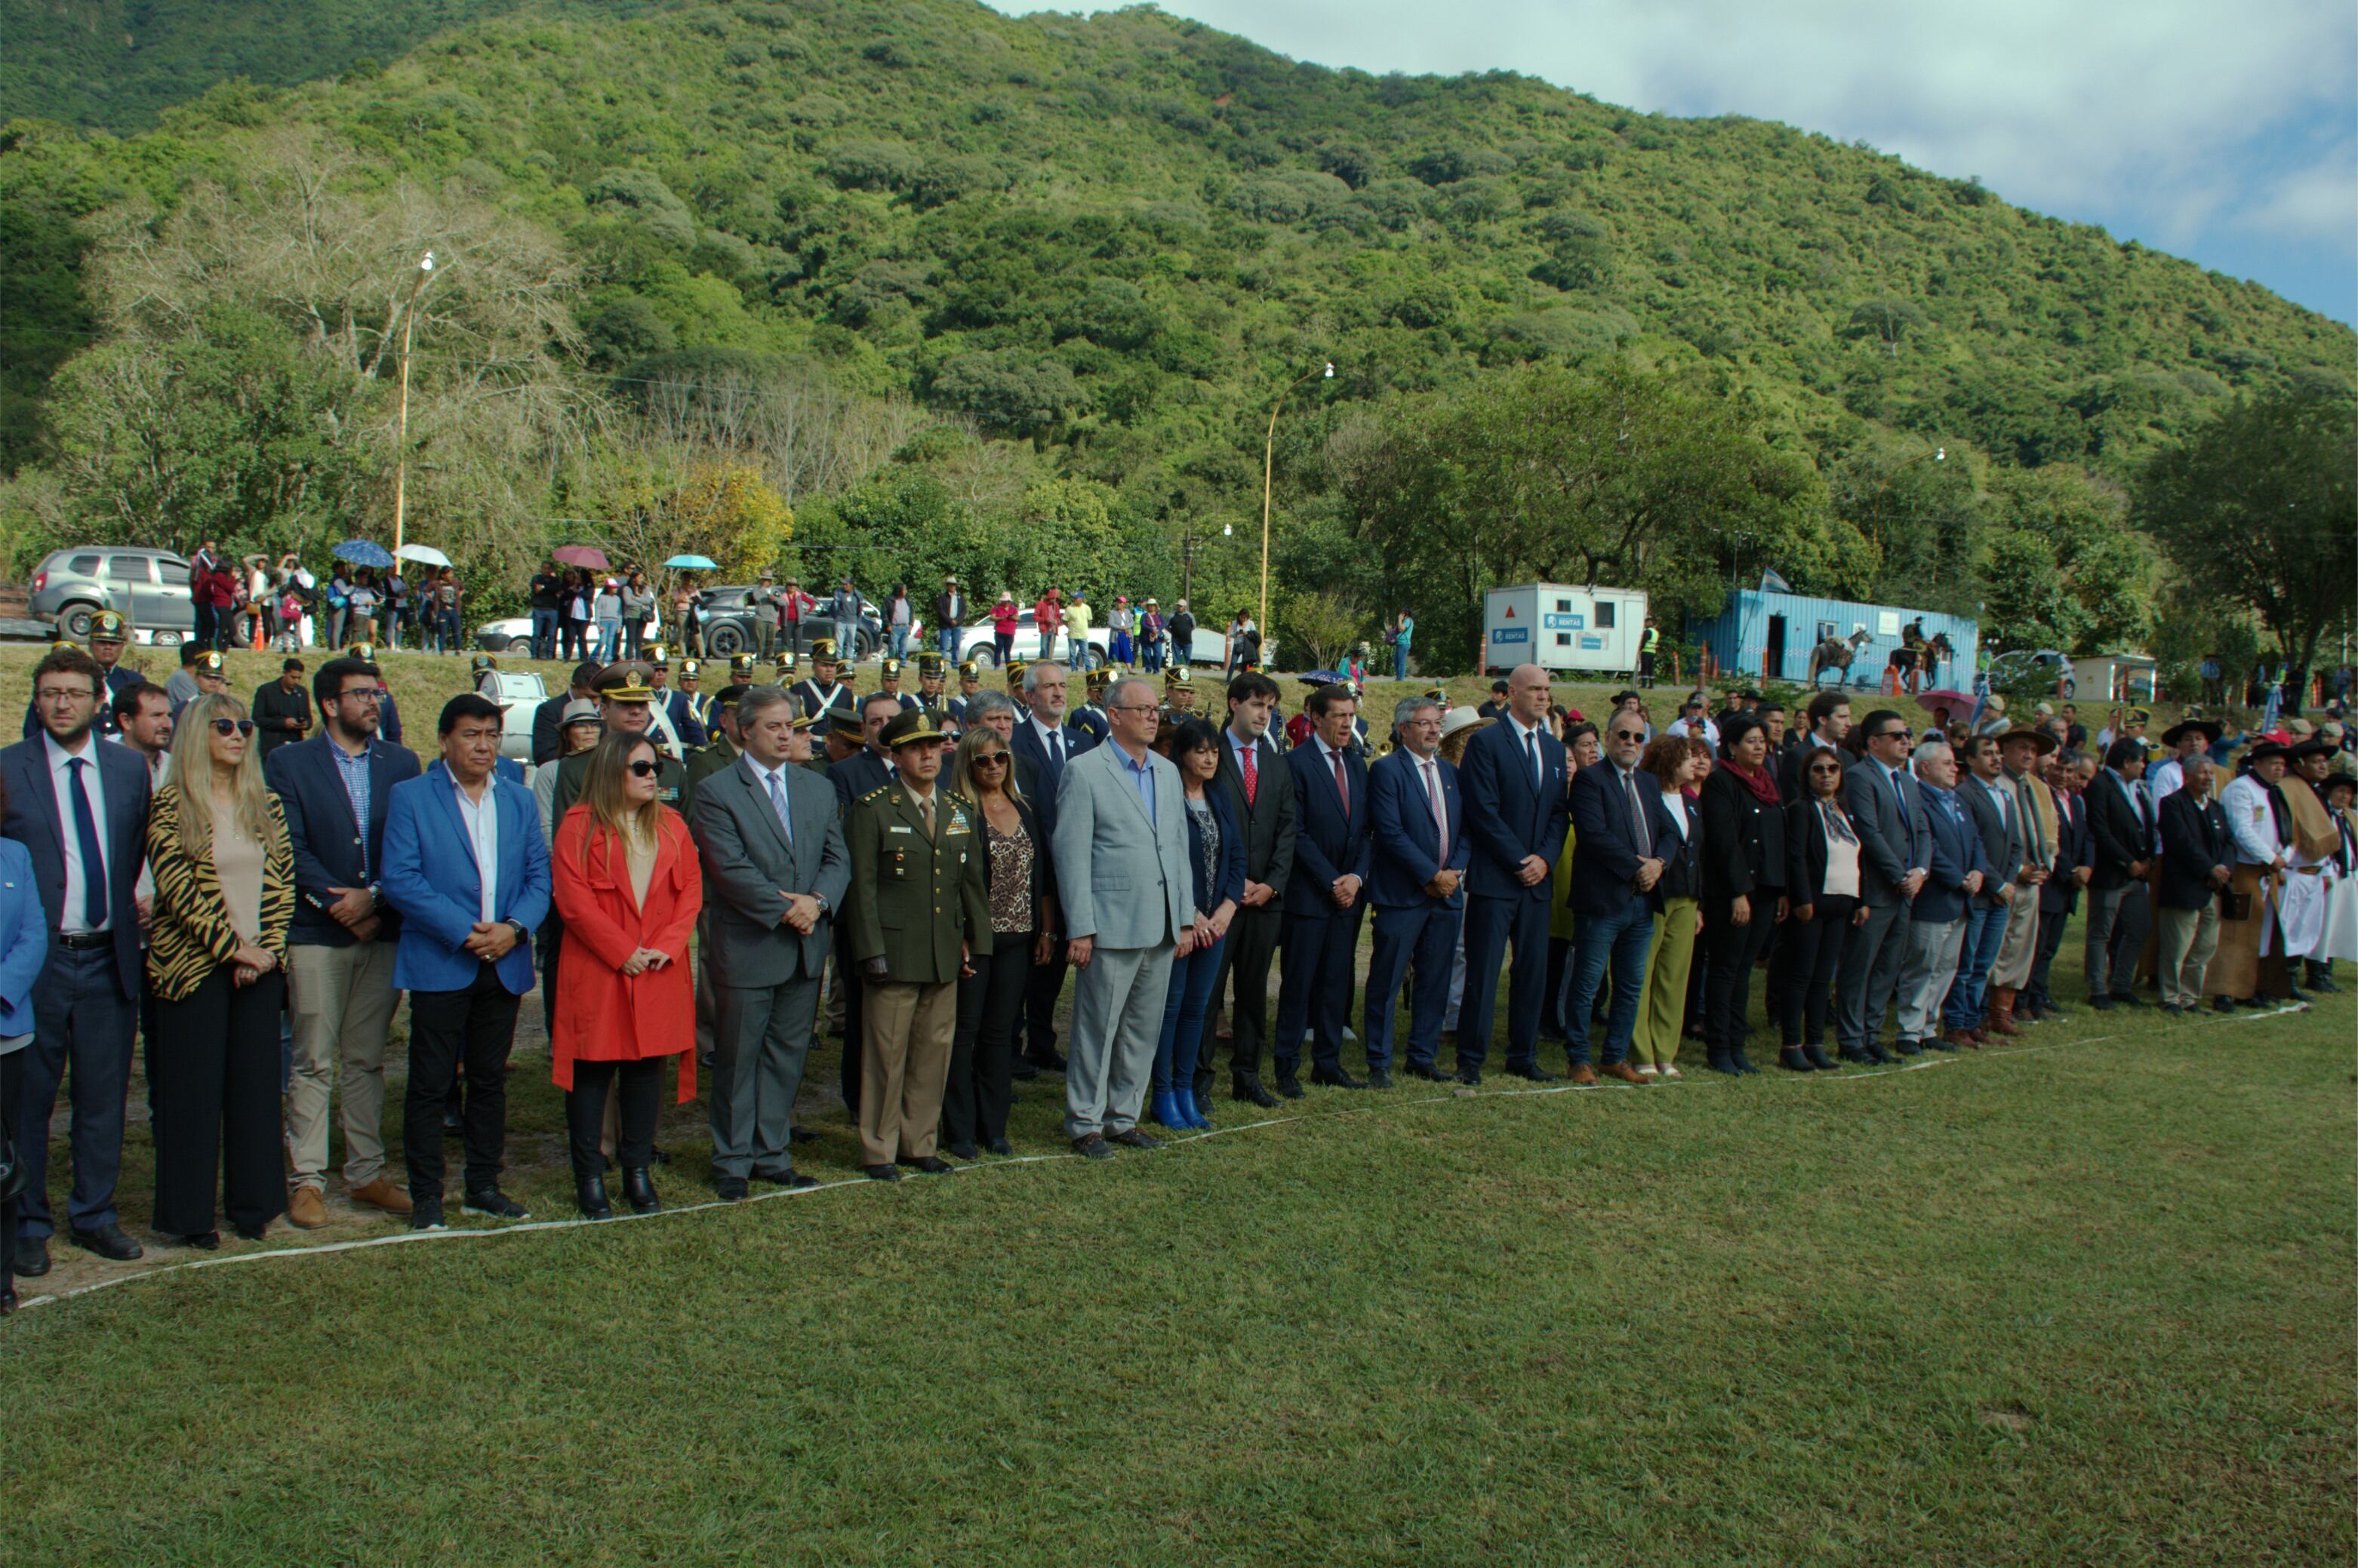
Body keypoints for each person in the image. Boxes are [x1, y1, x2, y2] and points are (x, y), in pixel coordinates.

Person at [3, 646, 152, 1275]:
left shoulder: (127, 769)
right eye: (49, 693)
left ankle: (94, 1216)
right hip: (37, 964)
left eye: (73, 692)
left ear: (99, 702)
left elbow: (140, 846)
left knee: (102, 1097)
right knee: (30, 1102)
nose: (61, 703)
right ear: (36, 702)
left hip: (107, 959)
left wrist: (144, 894)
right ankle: (29, 1223)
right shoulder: (9, 769)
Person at [379, 693, 552, 1230]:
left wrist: (514, 929)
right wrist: (464, 933)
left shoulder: (518, 799)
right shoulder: (412, 797)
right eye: (472, 735)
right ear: (445, 740)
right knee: (430, 1084)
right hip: (441, 960)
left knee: (489, 1081)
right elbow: (401, 879)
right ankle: (428, 1197)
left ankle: (483, 1187)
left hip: (504, 961)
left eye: (492, 736)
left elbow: (538, 879)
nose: (484, 746)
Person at [267, 656, 423, 1226]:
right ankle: (306, 1178)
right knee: (312, 1057)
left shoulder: (401, 762)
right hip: (315, 931)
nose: (372, 703)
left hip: (383, 928)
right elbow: (288, 846)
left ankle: (365, 1173)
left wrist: (375, 898)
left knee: (366, 1058)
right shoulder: (288, 762)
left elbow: (412, 842)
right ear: (329, 704)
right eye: (360, 694)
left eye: (376, 693)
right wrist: (337, 904)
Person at [143, 693, 295, 1247]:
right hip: (193, 968)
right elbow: (178, 890)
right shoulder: (170, 805)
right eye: (224, 726)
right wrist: (234, 949)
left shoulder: (267, 805)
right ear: (195, 736)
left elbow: (283, 885)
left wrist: (267, 952)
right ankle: (189, 1217)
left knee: (256, 1092)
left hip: (260, 966)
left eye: (245, 727)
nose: (238, 735)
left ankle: (253, 1206)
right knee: (193, 1096)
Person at [691, 686, 848, 1196]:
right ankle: (733, 1161)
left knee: (786, 1055)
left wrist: (818, 902)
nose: (786, 735)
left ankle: (772, 1152)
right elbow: (728, 869)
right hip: (751, 947)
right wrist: (787, 908)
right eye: (774, 727)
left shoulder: (816, 788)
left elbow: (836, 858)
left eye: (791, 726)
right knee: (739, 1058)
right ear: (744, 729)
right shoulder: (716, 791)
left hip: (805, 947)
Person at [549, 730, 700, 1219]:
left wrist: (667, 947)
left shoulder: (673, 826)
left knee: (644, 1072)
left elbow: (690, 894)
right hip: (598, 969)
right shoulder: (578, 825)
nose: (652, 775)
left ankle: (638, 1170)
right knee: (592, 1072)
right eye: (640, 768)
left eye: (653, 766)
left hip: (657, 968)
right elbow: (573, 899)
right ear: (613, 771)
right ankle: (589, 1176)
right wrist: (620, 951)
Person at [844, 710, 988, 1178]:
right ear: (896, 754)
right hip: (893, 953)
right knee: (886, 1056)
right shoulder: (874, 810)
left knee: (932, 1052)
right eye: (915, 748)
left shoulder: (957, 810)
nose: (928, 754)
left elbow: (969, 884)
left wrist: (974, 941)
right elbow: (861, 889)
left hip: (943, 953)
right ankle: (879, 1149)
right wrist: (870, 951)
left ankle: (919, 1142)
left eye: (934, 745)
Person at [1052, 677, 1193, 1159]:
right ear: (1114, 715)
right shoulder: (1085, 771)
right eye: (1143, 709)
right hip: (1109, 925)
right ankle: (1085, 1123)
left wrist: (1186, 917)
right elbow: (1071, 856)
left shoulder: (1167, 772)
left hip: (1160, 924)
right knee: (1097, 1029)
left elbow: (1177, 848)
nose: (1154, 716)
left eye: (1156, 709)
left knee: (1142, 1029)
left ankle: (1123, 1118)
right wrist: (1081, 927)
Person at [943, 726, 1053, 1157]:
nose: (993, 766)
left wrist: (1046, 930)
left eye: (1000, 758)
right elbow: (950, 882)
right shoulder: (957, 811)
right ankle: (961, 1130)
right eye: (983, 760)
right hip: (977, 939)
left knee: (1000, 1033)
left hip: (1020, 938)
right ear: (968, 765)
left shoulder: (1025, 806)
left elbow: (1041, 874)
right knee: (964, 1033)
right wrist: (959, 937)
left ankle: (994, 1127)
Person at [1460, 664, 1572, 1084]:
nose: (1544, 697)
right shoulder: (1486, 743)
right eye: (1535, 690)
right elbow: (1483, 812)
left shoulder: (1555, 748)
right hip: (1496, 880)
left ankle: (1522, 1055)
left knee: (1532, 973)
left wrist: (1544, 859)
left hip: (1538, 882)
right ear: (1512, 692)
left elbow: (1560, 813)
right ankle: (1471, 1058)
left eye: (1547, 690)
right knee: (1484, 973)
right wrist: (1520, 861)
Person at [1361, 697, 1468, 1084]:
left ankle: (1422, 1056)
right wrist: (1430, 875)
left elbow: (1465, 829)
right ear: (1404, 728)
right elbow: (1389, 831)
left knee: (1435, 978)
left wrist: (1453, 871)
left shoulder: (1451, 773)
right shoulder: (1387, 771)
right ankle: (1379, 1061)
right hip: (1402, 896)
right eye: (1424, 723)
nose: (1434, 729)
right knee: (1387, 981)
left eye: (1436, 723)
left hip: (1446, 895)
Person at [1273, 682, 1373, 1093]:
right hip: (1310, 898)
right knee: (1299, 985)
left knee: (1336, 982)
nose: (1348, 724)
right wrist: (1332, 880)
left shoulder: (1357, 764)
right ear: (1315, 717)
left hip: (1347, 898)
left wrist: (1356, 879)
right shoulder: (1294, 764)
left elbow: (1368, 831)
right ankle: (1286, 1067)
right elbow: (1295, 833)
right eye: (1339, 716)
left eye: (1351, 716)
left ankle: (1327, 1063)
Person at [1205, 669, 1296, 1108]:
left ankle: (1247, 1076)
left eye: (1271, 707)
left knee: (1254, 993)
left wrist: (1273, 885)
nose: (1265, 714)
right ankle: (1197, 1079)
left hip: (1264, 903)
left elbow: (1287, 830)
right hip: (1220, 898)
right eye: (1258, 705)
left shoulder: (1278, 763)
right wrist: (1231, 881)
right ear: (1234, 704)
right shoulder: (1209, 757)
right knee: (1208, 994)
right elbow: (1202, 825)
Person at [1559, 700, 1656, 1086]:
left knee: (1631, 986)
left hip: (1642, 902)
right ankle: (1579, 1058)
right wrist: (1640, 866)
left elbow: (1665, 832)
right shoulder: (1590, 779)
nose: (1631, 742)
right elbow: (1595, 836)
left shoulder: (1648, 782)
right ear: (1609, 738)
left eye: (1638, 737)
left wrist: (1660, 864)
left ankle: (1615, 1057)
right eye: (1624, 735)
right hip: (1602, 901)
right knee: (1586, 985)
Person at [1835, 711, 1931, 1065]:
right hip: (1877, 888)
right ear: (1873, 742)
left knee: (1887, 967)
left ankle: (1872, 1034)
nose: (1906, 741)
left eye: (1907, 735)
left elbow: (1921, 828)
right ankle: (1851, 1037)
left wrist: (1920, 870)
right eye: (1897, 736)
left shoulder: (1907, 780)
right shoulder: (1860, 777)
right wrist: (1899, 875)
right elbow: (1869, 833)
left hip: (1905, 888)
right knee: (1860, 966)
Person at [1697, 712, 1785, 1075]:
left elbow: (1777, 840)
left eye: (1762, 740)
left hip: (1765, 890)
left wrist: (1781, 890)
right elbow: (1723, 841)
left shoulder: (1767, 783)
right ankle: (1719, 1047)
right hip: (1733, 892)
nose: (1760, 746)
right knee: (1726, 969)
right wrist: (1738, 892)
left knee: (1745, 970)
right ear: (1731, 747)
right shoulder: (1722, 783)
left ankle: (1737, 1044)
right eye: (1751, 740)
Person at [1891, 739, 1988, 1055]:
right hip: (1934, 898)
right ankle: (1909, 1030)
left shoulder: (1956, 800)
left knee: (1945, 967)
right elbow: (1928, 846)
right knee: (1922, 966)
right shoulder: (1917, 799)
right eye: (1947, 763)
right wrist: (1959, 879)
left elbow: (1975, 839)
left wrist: (1978, 872)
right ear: (1924, 768)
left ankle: (1929, 1027)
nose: (1954, 768)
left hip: (1960, 901)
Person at [1780, 746, 1864, 1068]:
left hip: (1842, 901)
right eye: (1818, 769)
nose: (1826, 774)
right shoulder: (1801, 809)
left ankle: (1815, 1043)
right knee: (1800, 975)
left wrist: (1862, 899)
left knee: (1821, 979)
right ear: (1807, 774)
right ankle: (1791, 1045)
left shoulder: (1845, 810)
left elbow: (1859, 855)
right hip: (1813, 903)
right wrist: (1802, 899)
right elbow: (1797, 857)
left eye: (1832, 769)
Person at [1627, 736, 1705, 1078]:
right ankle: (1641, 1050)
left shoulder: (1692, 802)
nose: (1695, 763)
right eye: (1688, 757)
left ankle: (1665, 1051)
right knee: (1641, 973)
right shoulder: (1649, 797)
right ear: (1669, 761)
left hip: (1687, 898)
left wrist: (1699, 903)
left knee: (1674, 976)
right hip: (1655, 896)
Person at [1942, 733, 2024, 1047]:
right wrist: (1997, 882)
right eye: (1988, 753)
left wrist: (2010, 880)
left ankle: (1974, 1021)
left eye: (1998, 753)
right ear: (1972, 760)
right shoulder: (1965, 794)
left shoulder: (2005, 795)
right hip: (1979, 893)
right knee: (1965, 963)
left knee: (1983, 964)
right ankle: (1956, 1023)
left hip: (2000, 896)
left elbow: (2015, 844)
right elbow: (1973, 845)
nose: (1996, 758)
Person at [0, 815, 45, 1311]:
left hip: (5, 1030)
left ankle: (1, 1278)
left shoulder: (15, 855)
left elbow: (33, 936)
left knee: (2, 1160)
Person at [2085, 736, 2159, 1010]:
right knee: (2101, 932)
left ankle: (2122, 984)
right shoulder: (2100, 785)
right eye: (2141, 761)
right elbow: (2100, 829)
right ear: (2127, 761)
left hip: (2137, 875)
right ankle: (2097, 988)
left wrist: (2148, 859)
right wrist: (2128, 861)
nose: (2143, 766)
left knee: (2139, 928)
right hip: (2112, 873)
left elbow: (2148, 825)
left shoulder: (2138, 789)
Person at [2155, 755, 2232, 1014]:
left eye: (2211, 773)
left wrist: (2223, 868)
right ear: (2186, 776)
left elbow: (2229, 843)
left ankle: (2189, 997)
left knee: (2205, 945)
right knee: (2177, 945)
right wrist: (2208, 868)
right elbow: (2181, 842)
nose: (2208, 777)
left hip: (2214, 887)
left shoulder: (2216, 808)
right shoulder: (2172, 804)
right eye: (2203, 773)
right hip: (2185, 886)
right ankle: (2170, 997)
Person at [2026, 749, 2093, 1021]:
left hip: (2068, 886)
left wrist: (2088, 867)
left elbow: (2086, 837)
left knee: (2051, 947)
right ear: (2049, 769)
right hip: (2052, 881)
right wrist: (2070, 871)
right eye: (2059, 769)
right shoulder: (2042, 797)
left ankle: (2042, 996)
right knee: (2038, 947)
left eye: (2069, 771)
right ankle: (2029, 1000)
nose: (2063, 775)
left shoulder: (2076, 801)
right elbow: (2047, 839)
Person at [534, 661, 604, 766]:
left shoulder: (608, 707)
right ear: (573, 687)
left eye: (601, 696)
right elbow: (544, 756)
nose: (597, 702)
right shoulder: (550, 710)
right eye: (590, 697)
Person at [112, 682, 174, 788]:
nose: (167, 725)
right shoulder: (102, 766)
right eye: (156, 716)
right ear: (127, 721)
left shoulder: (177, 768)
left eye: (169, 716)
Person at [2149, 718, 2221, 804]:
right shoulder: (2167, 772)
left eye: (2199, 738)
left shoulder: (2218, 774)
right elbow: (2161, 810)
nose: (2194, 743)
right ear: (2178, 745)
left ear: (2206, 744)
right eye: (2188, 739)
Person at [251, 657, 311, 759]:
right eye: (293, 677)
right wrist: (283, 723)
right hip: (271, 747)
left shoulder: (302, 692)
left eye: (299, 678)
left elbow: (309, 718)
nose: (296, 681)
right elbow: (257, 719)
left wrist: (305, 724)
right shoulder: (266, 691)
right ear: (284, 673)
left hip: (295, 746)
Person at [792, 640, 856, 722]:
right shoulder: (798, 690)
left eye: (833, 665)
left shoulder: (845, 693)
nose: (829, 670)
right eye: (824, 665)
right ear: (813, 667)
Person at [529, 559, 563, 660]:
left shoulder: (555, 580)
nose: (546, 570)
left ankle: (550, 655)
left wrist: (544, 587)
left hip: (552, 610)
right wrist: (548, 589)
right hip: (539, 609)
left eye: (548, 568)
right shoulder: (536, 578)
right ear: (541, 568)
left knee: (552, 634)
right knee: (537, 634)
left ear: (551, 569)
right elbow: (536, 590)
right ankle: (534, 655)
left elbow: (556, 588)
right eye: (544, 568)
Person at [620, 570, 655, 660]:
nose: (641, 580)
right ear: (633, 578)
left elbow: (648, 601)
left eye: (642, 578)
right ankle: (629, 658)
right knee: (631, 639)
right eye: (639, 578)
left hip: (642, 616)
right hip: (631, 616)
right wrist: (641, 601)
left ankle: (639, 658)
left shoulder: (645, 588)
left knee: (639, 639)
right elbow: (628, 602)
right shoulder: (627, 589)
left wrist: (635, 598)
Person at [1168, 599, 1197, 670]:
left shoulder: (1190, 615)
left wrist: (1186, 631)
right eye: (1178, 606)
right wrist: (1173, 632)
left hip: (1187, 641)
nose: (1179, 607)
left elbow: (1194, 626)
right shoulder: (1172, 615)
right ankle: (1176, 671)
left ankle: (1186, 671)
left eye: (1181, 606)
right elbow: (1167, 626)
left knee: (1187, 657)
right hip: (1176, 641)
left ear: (1185, 607)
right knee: (1176, 658)